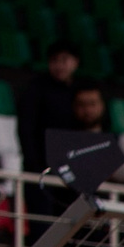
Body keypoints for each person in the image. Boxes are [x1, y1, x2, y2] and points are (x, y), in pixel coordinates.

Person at [18, 42, 83, 170]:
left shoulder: (81, 91)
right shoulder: (35, 89)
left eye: (64, 60)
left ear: (75, 62)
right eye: (54, 60)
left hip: (72, 163)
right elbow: (26, 129)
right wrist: (34, 163)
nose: (59, 66)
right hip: (41, 162)